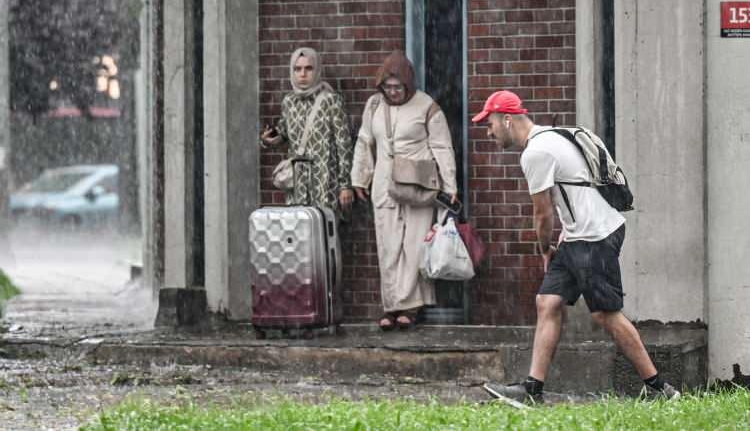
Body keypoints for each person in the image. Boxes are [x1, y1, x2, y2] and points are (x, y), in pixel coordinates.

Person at [471, 90, 680, 403]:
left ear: (507, 119)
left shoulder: (535, 153)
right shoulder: (552, 136)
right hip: (576, 236)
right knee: (548, 302)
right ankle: (532, 390)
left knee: (606, 315)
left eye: (490, 125)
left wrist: (544, 249)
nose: (489, 132)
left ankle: (660, 389)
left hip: (593, 236)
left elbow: (542, 213)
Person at [351, 50, 458, 331]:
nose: (393, 92)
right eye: (388, 87)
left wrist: (450, 185)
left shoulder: (427, 106)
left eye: (398, 87)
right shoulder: (374, 106)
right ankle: (391, 305)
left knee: (413, 246)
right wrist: (359, 178)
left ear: (409, 84)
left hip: (418, 185)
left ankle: (409, 308)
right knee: (388, 246)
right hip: (384, 184)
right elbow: (365, 143)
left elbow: (442, 147)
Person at [260, 47, 354, 216]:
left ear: (317, 70)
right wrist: (269, 140)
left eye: (308, 68)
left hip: (325, 181)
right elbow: (285, 132)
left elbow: (344, 145)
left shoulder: (331, 100)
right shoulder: (289, 101)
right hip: (297, 183)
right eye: (297, 69)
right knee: (298, 233)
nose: (302, 74)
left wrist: (345, 185)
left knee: (325, 233)